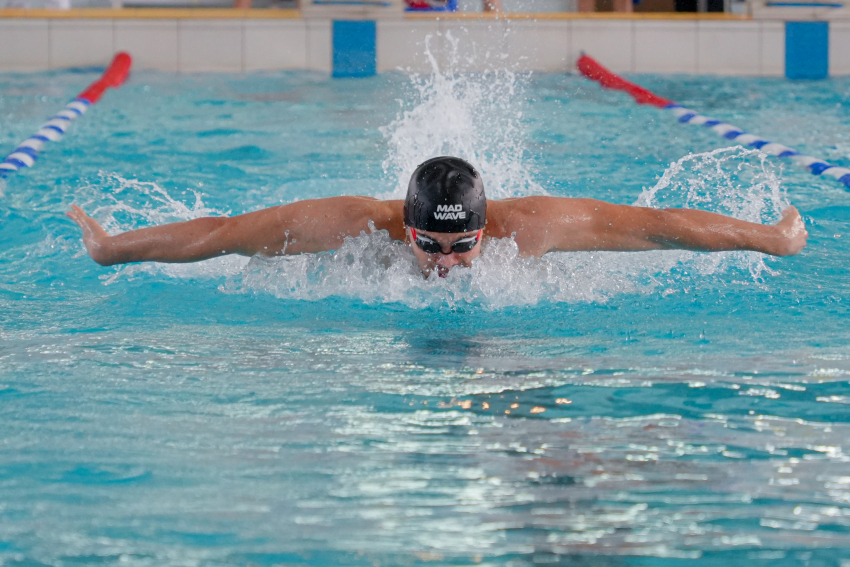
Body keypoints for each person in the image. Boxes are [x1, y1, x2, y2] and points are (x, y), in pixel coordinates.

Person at [67, 156, 808, 279]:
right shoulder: (355, 223)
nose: (446, 263)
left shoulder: (530, 225)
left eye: (462, 245)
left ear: (486, 229)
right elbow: (222, 235)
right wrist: (112, 250)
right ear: (406, 226)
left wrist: (770, 239)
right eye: (430, 243)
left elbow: (657, 224)